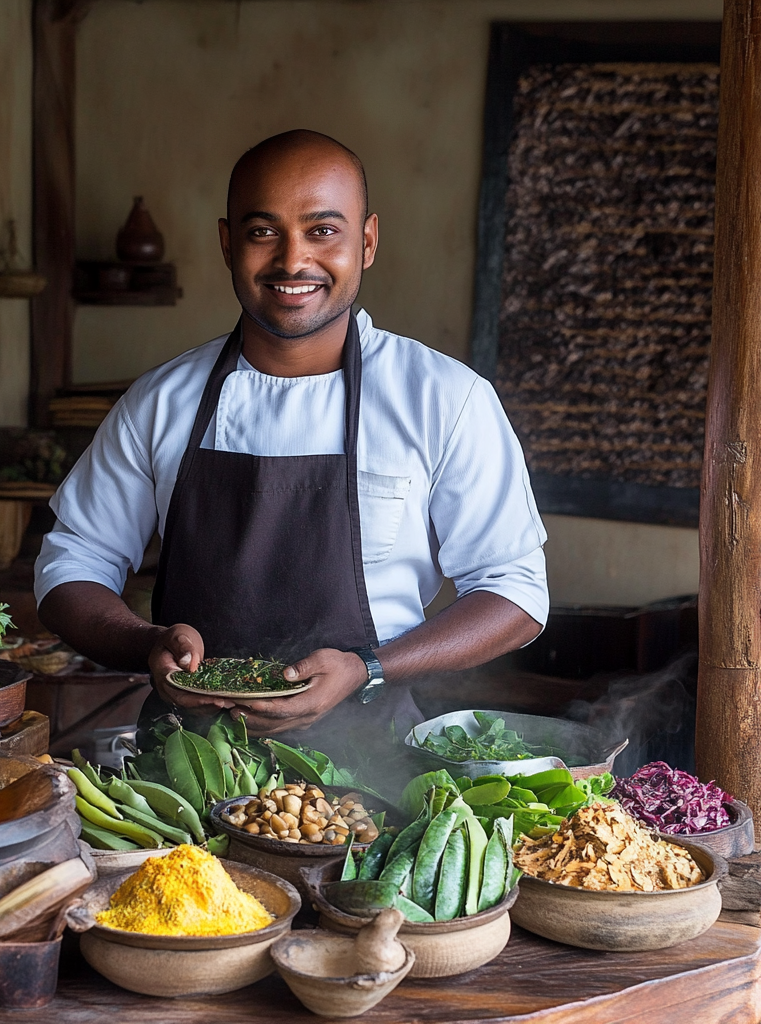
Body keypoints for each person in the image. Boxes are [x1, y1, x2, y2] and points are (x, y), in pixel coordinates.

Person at [35, 129, 548, 749]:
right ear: (227, 244)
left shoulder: (444, 398)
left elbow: (514, 592)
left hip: (376, 776)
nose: (292, 260)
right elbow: (72, 564)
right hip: (182, 770)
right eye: (262, 232)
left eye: (323, 231)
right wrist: (148, 644)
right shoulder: (162, 401)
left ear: (367, 241)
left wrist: (369, 668)